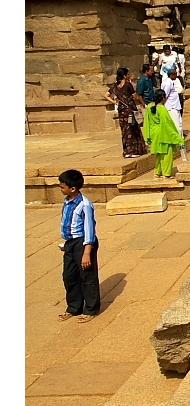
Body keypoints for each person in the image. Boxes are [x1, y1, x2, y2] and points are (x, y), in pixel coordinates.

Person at [57, 169, 100, 323]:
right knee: (69, 276)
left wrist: (87, 251)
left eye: (62, 187)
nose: (61, 189)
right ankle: (74, 307)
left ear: (72, 188)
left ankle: (90, 309)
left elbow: (89, 228)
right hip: (70, 243)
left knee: (87, 276)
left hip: (83, 242)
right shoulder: (68, 200)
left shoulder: (85, 204)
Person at [103, 68, 147, 159]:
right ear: (124, 76)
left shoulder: (115, 86)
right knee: (132, 129)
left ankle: (126, 151)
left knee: (124, 131)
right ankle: (133, 151)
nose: (129, 75)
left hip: (121, 111)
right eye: (128, 74)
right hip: (130, 110)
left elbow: (106, 95)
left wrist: (115, 102)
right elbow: (135, 96)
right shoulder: (128, 85)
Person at [143, 89, 185, 178]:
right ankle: (166, 173)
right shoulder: (161, 109)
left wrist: (147, 135)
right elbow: (167, 123)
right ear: (163, 98)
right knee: (167, 154)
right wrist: (177, 137)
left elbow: (146, 122)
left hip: (153, 132)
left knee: (159, 154)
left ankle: (157, 172)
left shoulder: (150, 107)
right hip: (163, 132)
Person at [162, 67, 184, 135]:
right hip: (172, 107)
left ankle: (180, 140)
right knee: (176, 124)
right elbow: (165, 95)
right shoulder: (168, 83)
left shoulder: (172, 82)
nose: (176, 76)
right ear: (171, 75)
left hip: (175, 106)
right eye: (174, 74)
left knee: (179, 124)